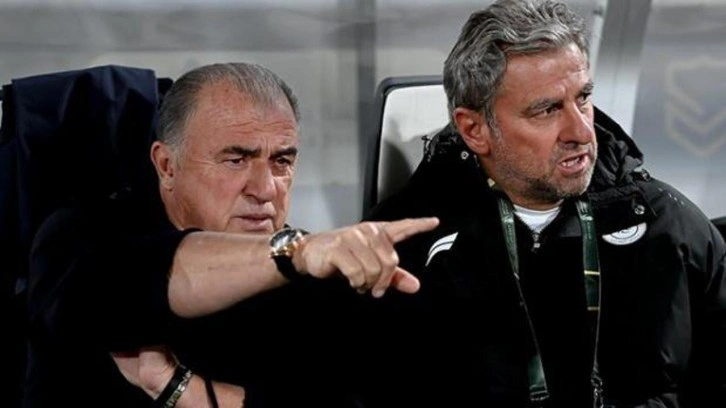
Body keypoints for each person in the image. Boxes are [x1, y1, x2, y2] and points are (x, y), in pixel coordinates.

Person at [363, 0, 726, 407]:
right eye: (548, 109)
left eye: (583, 98)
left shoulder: (668, 226)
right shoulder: (400, 253)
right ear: (475, 129)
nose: (581, 131)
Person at [24, 62, 438, 407]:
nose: (265, 189)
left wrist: (179, 389)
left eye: (281, 161)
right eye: (236, 160)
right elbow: (121, 293)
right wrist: (293, 253)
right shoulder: (81, 236)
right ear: (167, 166)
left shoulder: (313, 276)